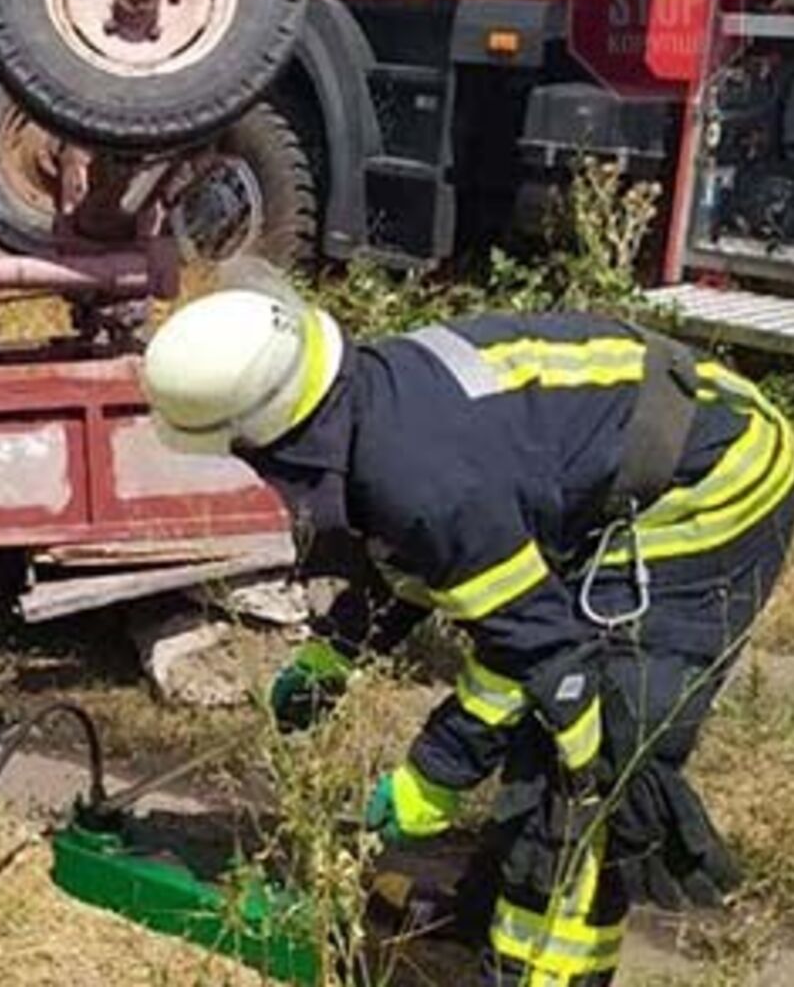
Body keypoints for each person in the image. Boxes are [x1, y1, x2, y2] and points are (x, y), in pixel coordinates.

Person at [142, 268, 794, 986]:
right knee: (553, 718)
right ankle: (487, 906)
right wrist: (335, 655)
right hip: (629, 449)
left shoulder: (427, 479)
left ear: (258, 436)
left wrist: (433, 778)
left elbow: (535, 653)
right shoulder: (360, 399)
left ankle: (545, 973)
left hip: (711, 483)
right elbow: (406, 553)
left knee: (585, 748)